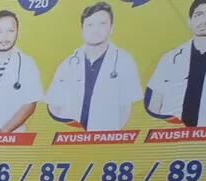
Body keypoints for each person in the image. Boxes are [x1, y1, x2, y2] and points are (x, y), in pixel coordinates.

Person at [46, 2, 143, 131]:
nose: (95, 30)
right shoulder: (68, 64)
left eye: (102, 24)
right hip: (71, 139)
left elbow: (129, 108)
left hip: (107, 139)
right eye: (90, 25)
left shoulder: (125, 62)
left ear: (111, 27)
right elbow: (54, 105)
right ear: (82, 29)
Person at [145, 0, 206, 128]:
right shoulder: (170, 58)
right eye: (198, 14)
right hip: (175, 137)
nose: (203, 20)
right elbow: (155, 104)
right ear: (190, 21)